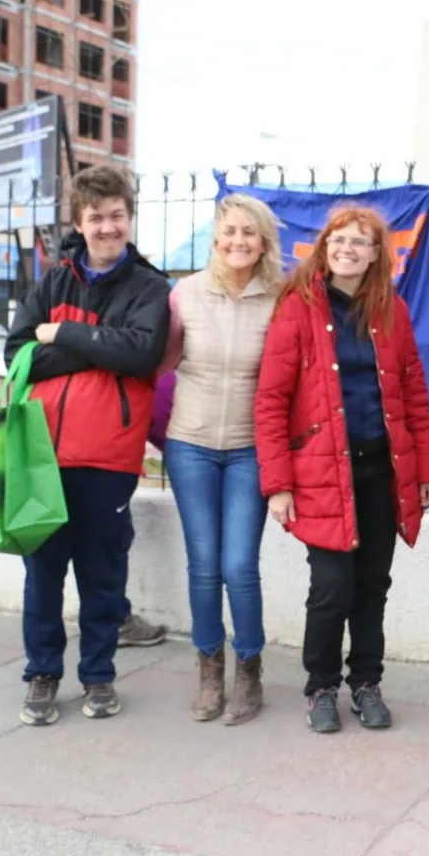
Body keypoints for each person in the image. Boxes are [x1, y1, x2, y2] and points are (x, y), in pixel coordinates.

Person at [254, 206, 429, 734]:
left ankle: (366, 682)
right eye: (339, 239)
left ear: (378, 253)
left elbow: (413, 394)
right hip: (320, 475)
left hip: (381, 472)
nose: (349, 249)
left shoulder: (392, 311)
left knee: (372, 585)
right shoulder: (298, 307)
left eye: (362, 242)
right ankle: (321, 687)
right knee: (332, 587)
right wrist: (278, 484)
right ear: (324, 246)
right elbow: (270, 401)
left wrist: (428, 469)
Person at [4, 165, 172, 726]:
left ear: (129, 217)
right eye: (96, 217)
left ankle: (98, 674)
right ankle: (42, 673)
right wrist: (104, 344)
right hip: (41, 455)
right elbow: (17, 354)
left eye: (117, 215)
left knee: (103, 575)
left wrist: (65, 334)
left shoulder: (151, 287)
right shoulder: (51, 283)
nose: (107, 227)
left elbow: (142, 355)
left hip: (108, 458)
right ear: (80, 221)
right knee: (43, 574)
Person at [159, 193, 283, 724]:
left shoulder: (280, 298)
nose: (239, 241)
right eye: (230, 231)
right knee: (204, 566)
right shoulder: (184, 294)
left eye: (249, 234)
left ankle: (249, 669)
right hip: (190, 444)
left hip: (250, 449)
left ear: (263, 243)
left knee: (239, 565)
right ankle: (210, 672)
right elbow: (158, 362)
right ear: (216, 236)